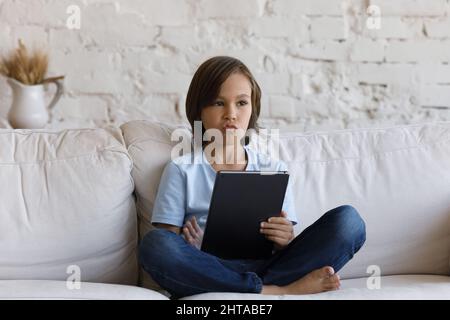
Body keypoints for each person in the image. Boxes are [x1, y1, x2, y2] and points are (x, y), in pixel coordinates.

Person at [138, 56, 366, 299]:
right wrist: (195, 250)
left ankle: (252, 286)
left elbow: (285, 242)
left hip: (271, 266)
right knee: (156, 244)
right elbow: (168, 241)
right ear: (199, 110)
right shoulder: (182, 169)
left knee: (349, 222)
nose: (231, 114)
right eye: (218, 103)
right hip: (209, 267)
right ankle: (279, 290)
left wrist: (285, 239)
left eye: (241, 103)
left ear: (253, 109)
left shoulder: (272, 167)